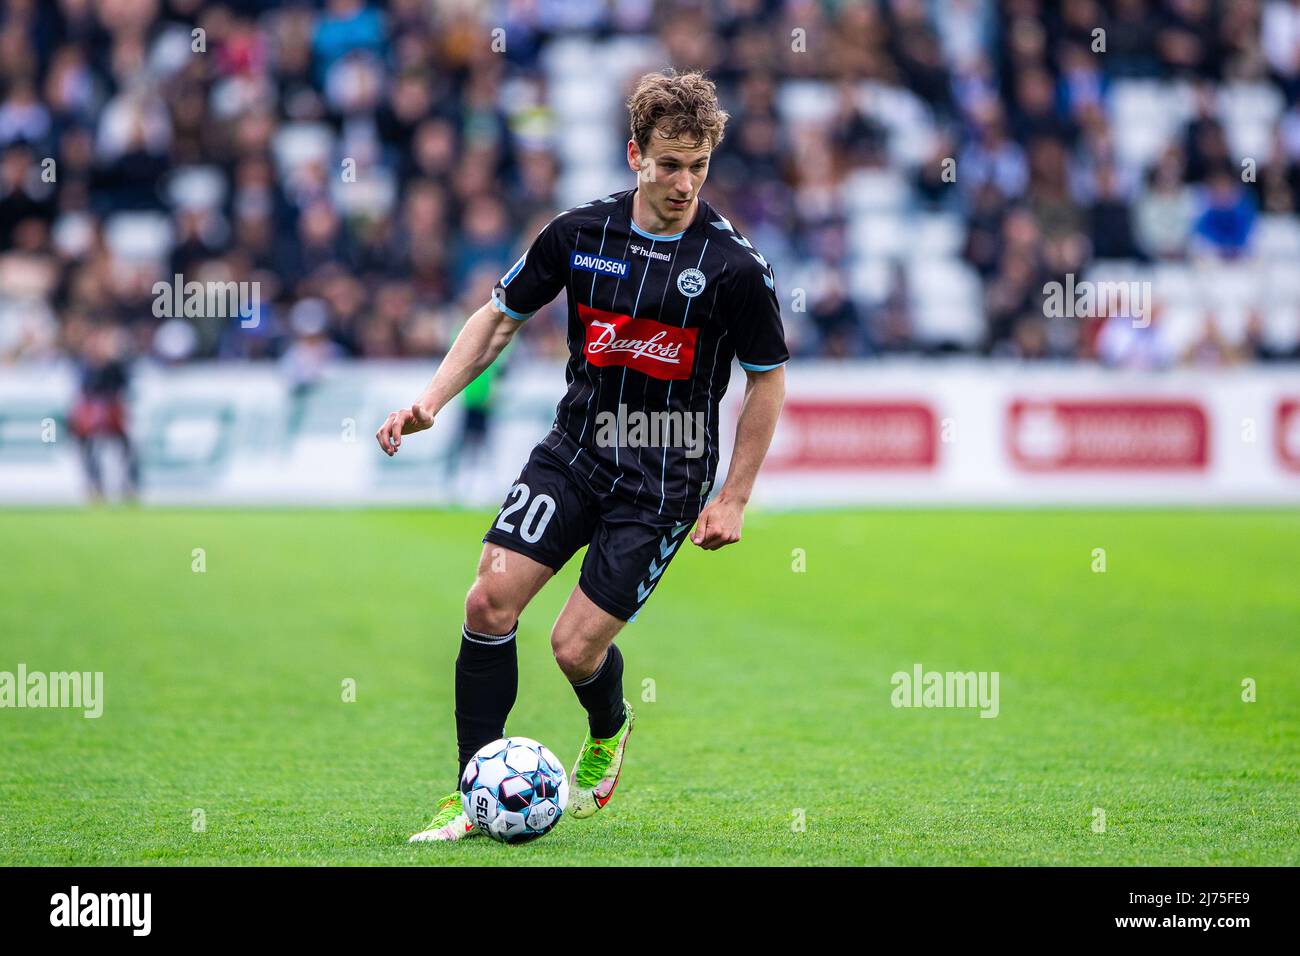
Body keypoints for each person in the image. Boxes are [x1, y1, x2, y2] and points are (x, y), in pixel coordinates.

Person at [375, 69, 788, 842]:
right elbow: (499, 319)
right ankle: (470, 794)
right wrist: (430, 400)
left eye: (697, 166)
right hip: (576, 447)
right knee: (486, 603)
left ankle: (608, 728)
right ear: (636, 154)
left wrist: (733, 496)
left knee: (572, 649)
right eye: (668, 164)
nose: (683, 182)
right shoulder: (578, 234)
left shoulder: (734, 268)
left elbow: (767, 382)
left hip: (664, 477)